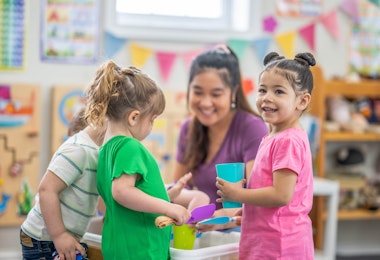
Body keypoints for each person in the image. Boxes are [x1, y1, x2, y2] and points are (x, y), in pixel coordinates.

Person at [84, 61, 191, 259]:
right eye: (152, 119)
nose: (151, 126)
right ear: (133, 117)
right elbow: (122, 192)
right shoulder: (130, 146)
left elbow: (113, 203)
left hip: (121, 246)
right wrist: (168, 207)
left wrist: (165, 196)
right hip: (142, 249)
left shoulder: (106, 151)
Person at [216, 52, 316, 259]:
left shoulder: (288, 140)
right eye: (263, 90)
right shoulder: (273, 136)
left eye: (279, 91)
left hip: (281, 243)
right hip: (266, 238)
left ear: (302, 101)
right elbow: (269, 190)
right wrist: (251, 210)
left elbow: (281, 195)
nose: (267, 97)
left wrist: (238, 195)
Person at [172, 45, 268, 226]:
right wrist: (192, 202)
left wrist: (218, 218)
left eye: (216, 94)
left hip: (241, 234)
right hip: (201, 229)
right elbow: (177, 189)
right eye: (198, 92)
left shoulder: (252, 129)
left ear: (233, 93)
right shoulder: (188, 128)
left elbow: (260, 199)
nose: (206, 103)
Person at [20, 105, 106, 260]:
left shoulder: (96, 155)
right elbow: (46, 190)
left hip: (55, 237)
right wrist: (59, 235)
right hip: (44, 239)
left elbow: (100, 201)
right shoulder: (78, 149)